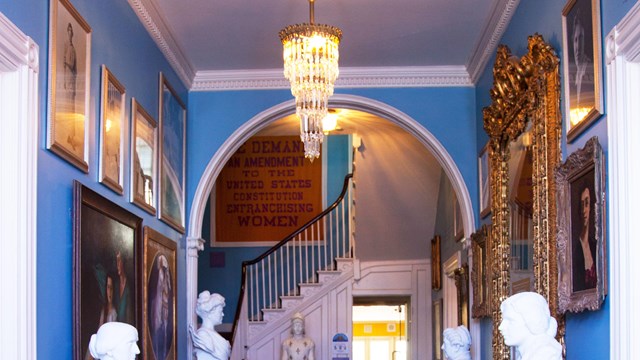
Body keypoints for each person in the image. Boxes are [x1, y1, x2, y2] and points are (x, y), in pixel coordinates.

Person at [498, 292, 562, 360]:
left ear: (531, 321)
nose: (500, 327)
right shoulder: (528, 353)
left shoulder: (545, 353)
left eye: (510, 321)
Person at [189, 291, 230, 360]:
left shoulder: (212, 334)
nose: (223, 314)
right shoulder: (203, 335)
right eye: (220, 311)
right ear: (210, 313)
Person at [572, 185, 597, 291]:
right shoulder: (575, 249)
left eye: (586, 203)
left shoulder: (595, 246)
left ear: (591, 207)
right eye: (581, 205)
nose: (584, 210)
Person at [150, 255, 172, 360]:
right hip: (158, 311)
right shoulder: (159, 277)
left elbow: (167, 294)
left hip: (165, 311)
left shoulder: (166, 277)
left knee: (165, 333)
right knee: (157, 332)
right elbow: (158, 294)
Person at [63, 22, 80, 151]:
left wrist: (66, 62)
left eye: (70, 32)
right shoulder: (70, 48)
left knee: (71, 109)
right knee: (68, 108)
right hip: (68, 79)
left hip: (71, 81)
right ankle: (69, 135)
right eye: (68, 31)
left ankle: (71, 135)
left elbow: (73, 66)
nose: (69, 34)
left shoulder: (72, 49)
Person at [571, 10, 591, 111]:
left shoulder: (589, 68)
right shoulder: (574, 77)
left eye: (581, 38)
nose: (578, 46)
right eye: (575, 40)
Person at [115, 251, 134, 325]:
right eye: (116, 261)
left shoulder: (129, 287)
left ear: (123, 263)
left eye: (119, 261)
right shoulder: (116, 285)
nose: (117, 265)